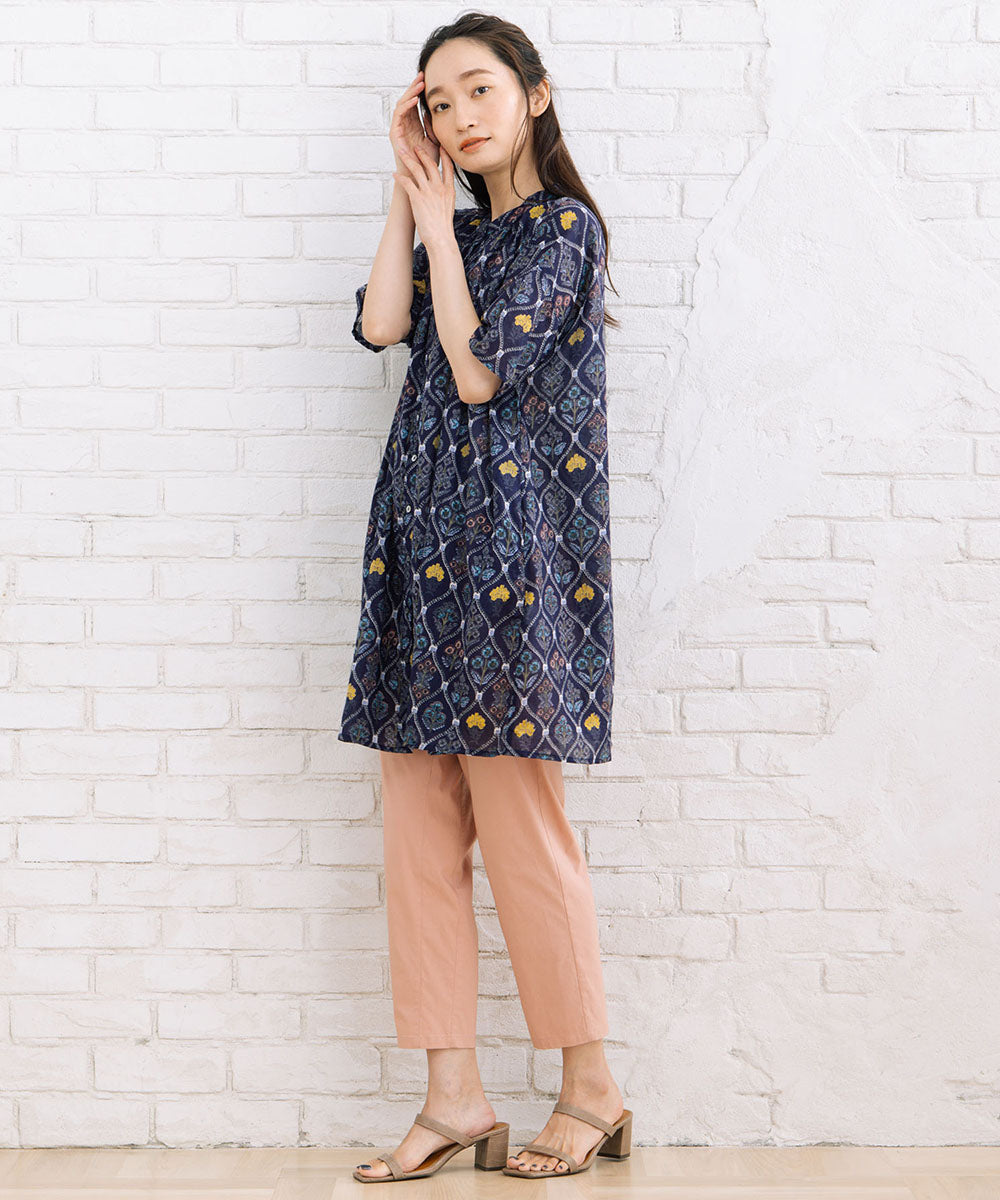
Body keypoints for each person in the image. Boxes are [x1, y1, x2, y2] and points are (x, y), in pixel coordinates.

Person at [341, 12, 630, 1183]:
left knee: (524, 837)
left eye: (478, 90)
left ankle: (591, 1086)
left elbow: (473, 372)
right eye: (437, 100)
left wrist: (438, 234)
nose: (459, 116)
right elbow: (382, 324)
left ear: (534, 95)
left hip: (514, 579)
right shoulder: (444, 230)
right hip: (418, 563)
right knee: (417, 837)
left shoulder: (563, 230)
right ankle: (452, 1097)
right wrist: (406, 193)